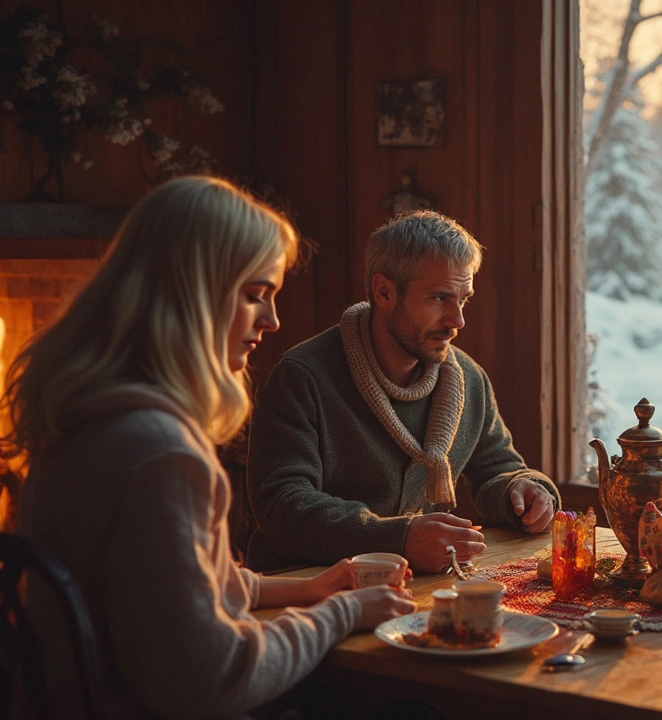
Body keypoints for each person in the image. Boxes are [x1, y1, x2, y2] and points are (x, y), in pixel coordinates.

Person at [9, 176, 416, 719]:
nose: (272, 321)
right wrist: (341, 613)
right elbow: (210, 679)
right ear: (189, 297)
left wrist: (305, 589)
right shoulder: (159, 454)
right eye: (254, 296)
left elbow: (167, 591)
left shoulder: (87, 421)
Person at [245, 210, 560, 573]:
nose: (457, 320)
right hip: (300, 590)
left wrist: (525, 492)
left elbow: (499, 470)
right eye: (439, 298)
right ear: (384, 292)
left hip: (411, 588)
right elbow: (283, 509)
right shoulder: (303, 377)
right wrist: (399, 538)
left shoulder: (467, 380)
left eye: (463, 299)